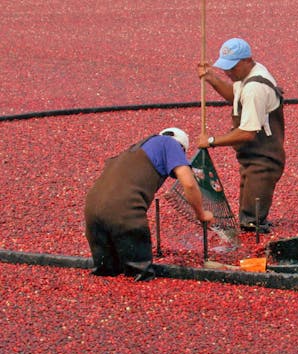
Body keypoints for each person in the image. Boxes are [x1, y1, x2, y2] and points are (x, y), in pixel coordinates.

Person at [85, 128, 214, 281]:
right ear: (182, 149)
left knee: (106, 272)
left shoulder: (134, 150)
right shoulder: (171, 144)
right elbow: (189, 184)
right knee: (140, 276)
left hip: (91, 211)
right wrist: (201, 214)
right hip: (124, 211)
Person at [196, 37, 285, 234]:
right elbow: (235, 96)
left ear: (247, 60)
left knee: (251, 222)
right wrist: (211, 78)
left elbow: (247, 133)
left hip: (264, 159)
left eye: (232, 68)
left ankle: (256, 256)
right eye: (225, 68)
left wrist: (211, 141)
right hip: (251, 158)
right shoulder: (247, 76)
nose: (228, 73)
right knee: (248, 213)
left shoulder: (255, 87)